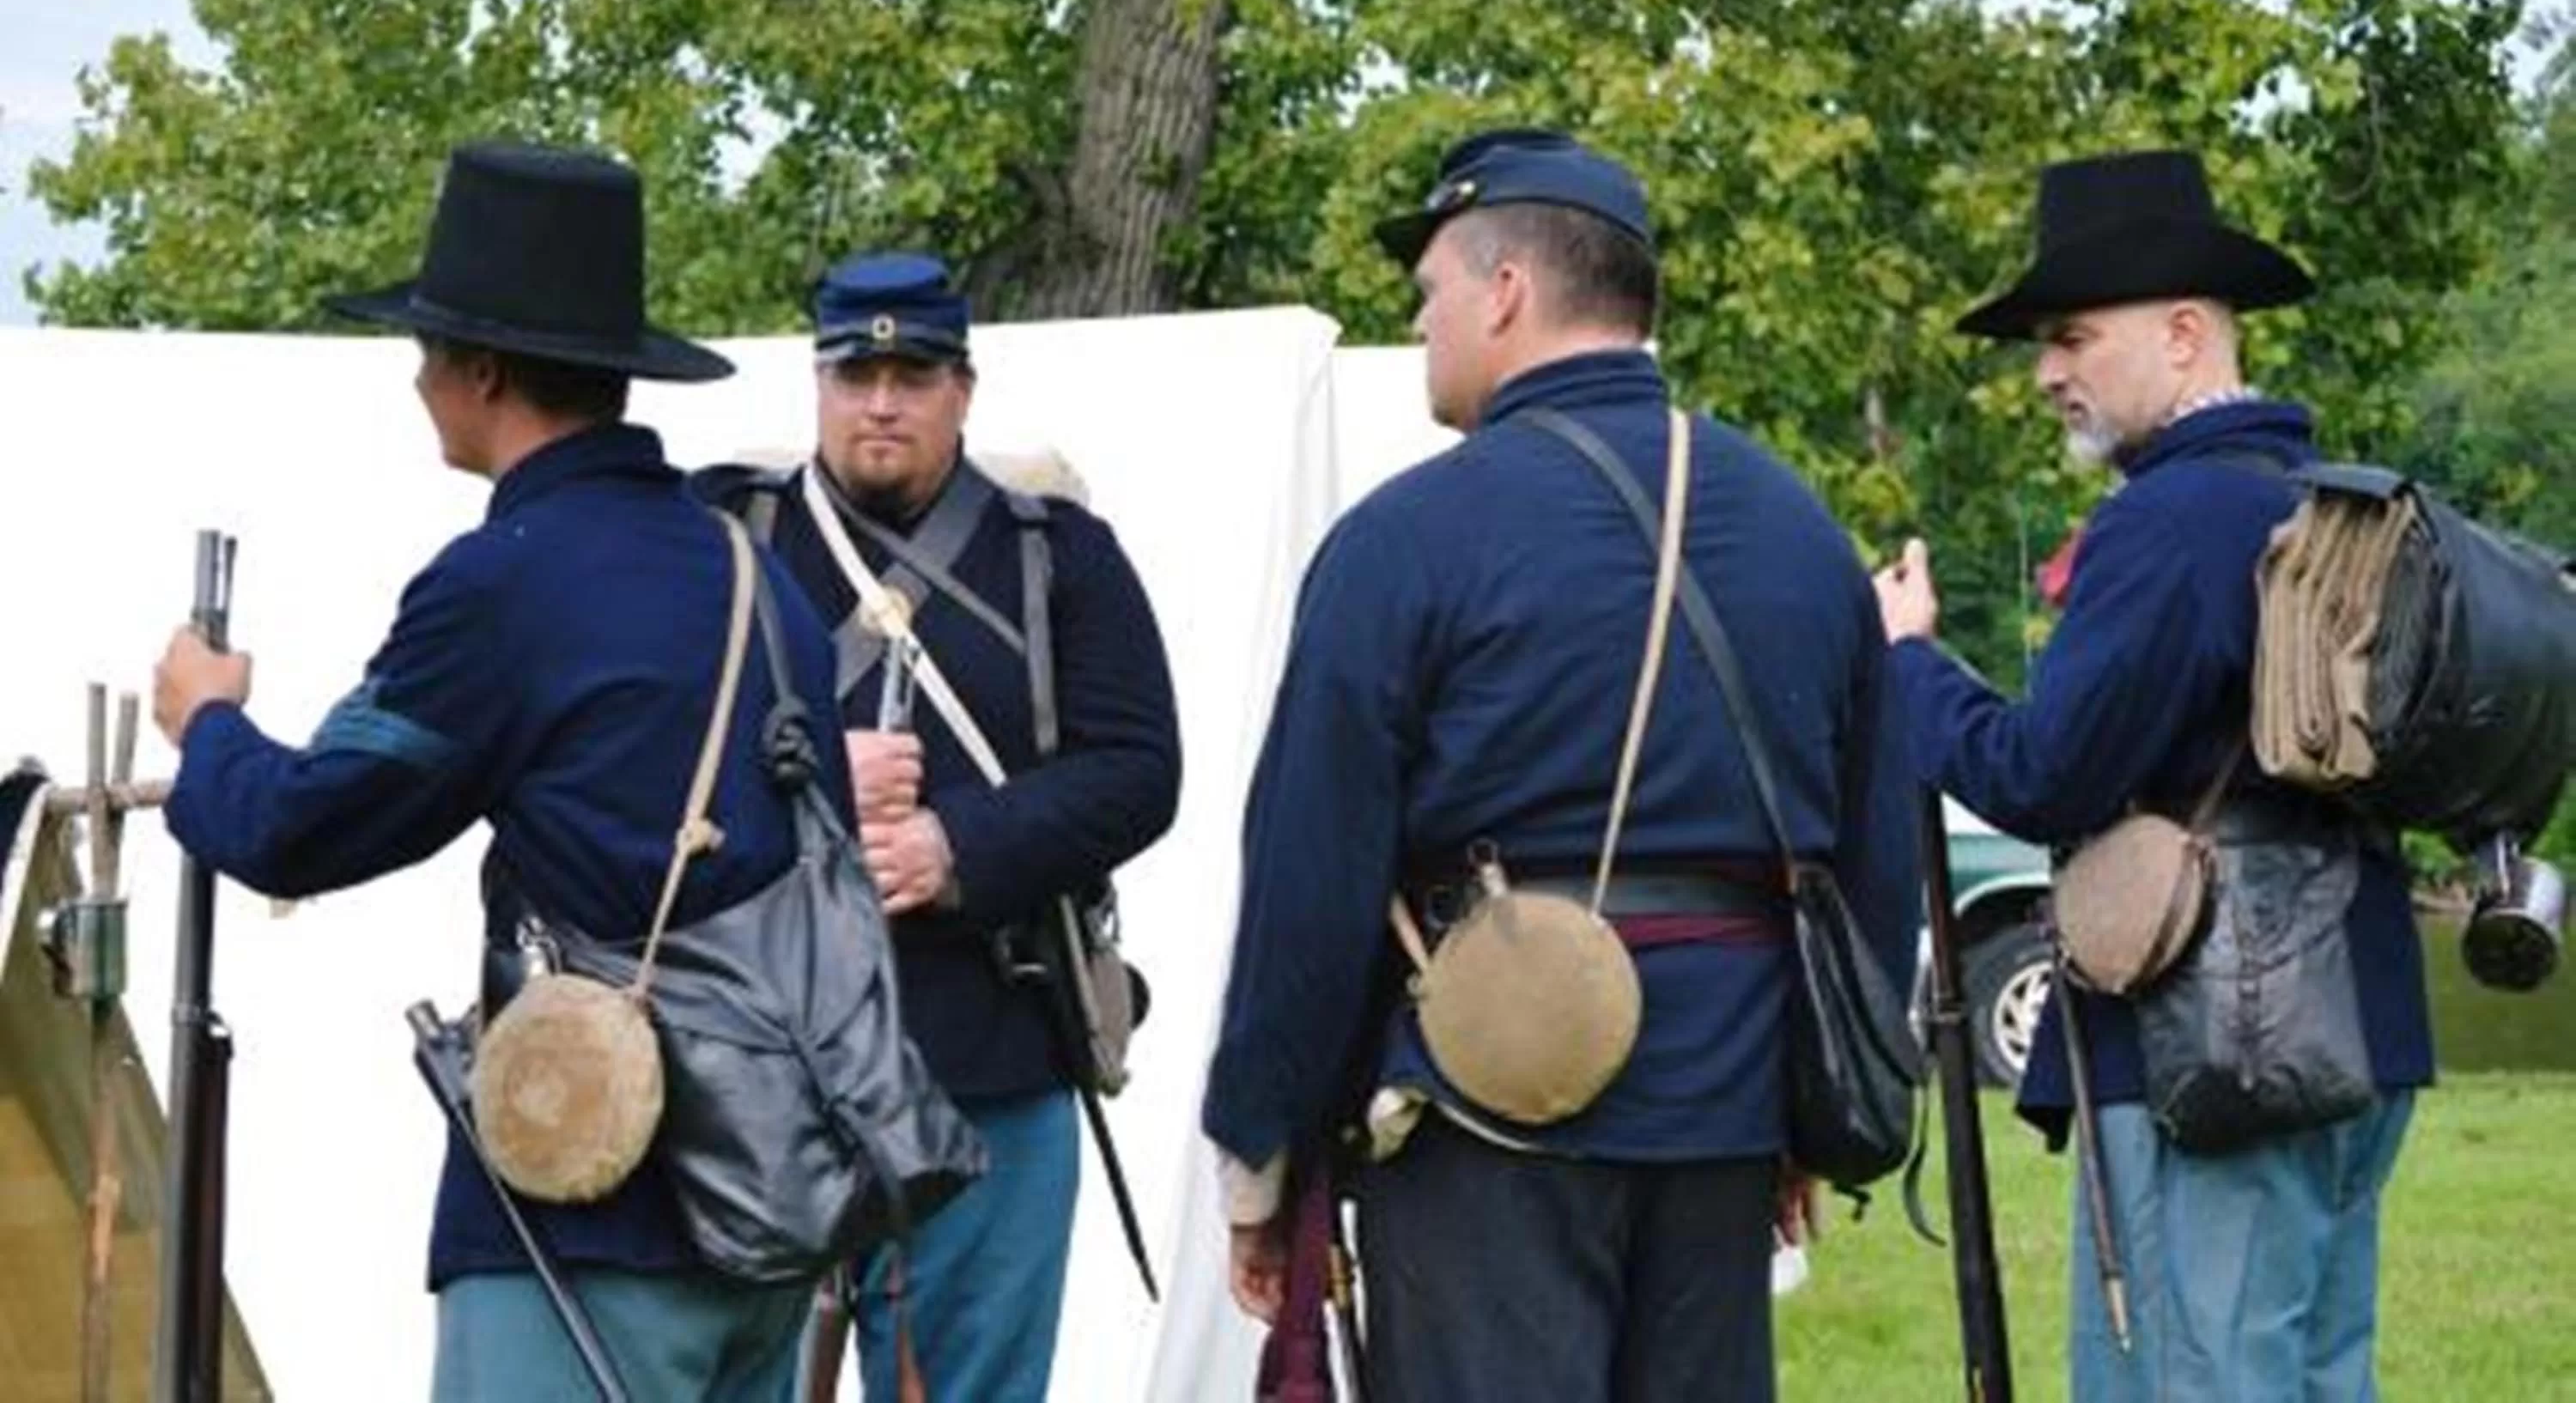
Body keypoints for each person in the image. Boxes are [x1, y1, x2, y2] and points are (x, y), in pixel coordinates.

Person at [1202, 129, 1921, 1402]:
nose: (1422, 325)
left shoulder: (1405, 539)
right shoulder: (1803, 529)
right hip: (1726, 1102)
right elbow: (1866, 863)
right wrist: (1803, 1112)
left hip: (1491, 1107)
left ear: (1506, 291)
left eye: (1428, 292)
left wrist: (1264, 1151)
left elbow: (1312, 875)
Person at [149, 140, 855, 1400]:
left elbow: (304, 824)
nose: (418, 376)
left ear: (479, 369)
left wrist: (209, 726)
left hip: (592, 1216)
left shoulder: (506, 581)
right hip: (770, 1213)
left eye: (429, 346)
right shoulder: (760, 579)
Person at [1874, 149, 2433, 1401]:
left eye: (2072, 335)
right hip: (2352, 1016)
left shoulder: (2171, 520)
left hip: (2219, 1037)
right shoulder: (2325, 500)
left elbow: (2048, 773)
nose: (2047, 371)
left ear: (2184, 334)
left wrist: (1911, 667)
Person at [692, 252, 1182, 1402]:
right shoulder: (720, 534)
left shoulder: (1056, 553)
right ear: (817, 381)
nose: (881, 400)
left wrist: (958, 848)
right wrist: (807, 774)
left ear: (963, 387)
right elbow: (635, 755)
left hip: (986, 1046)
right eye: (857, 370)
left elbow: (1139, 771)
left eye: (913, 373)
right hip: (753, 1057)